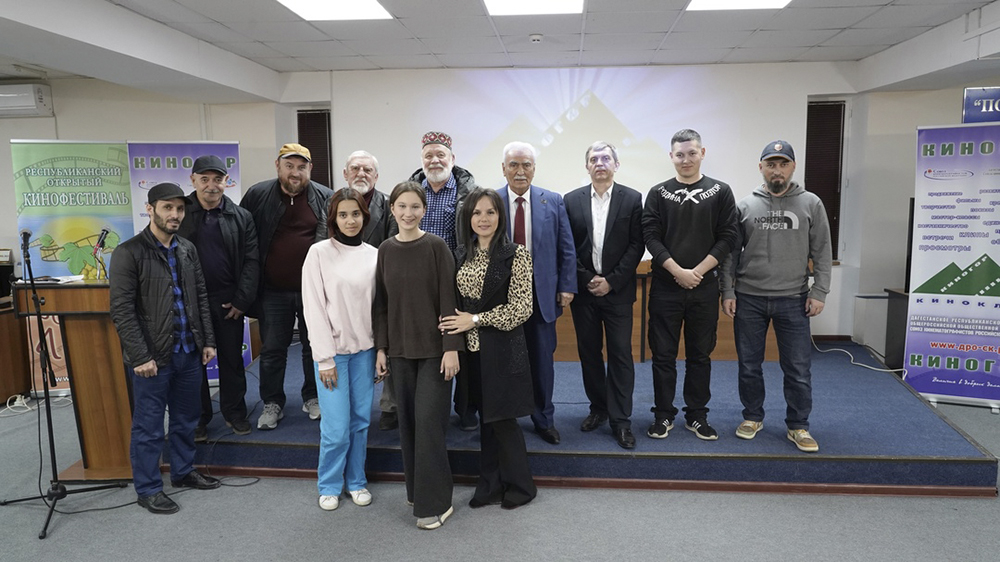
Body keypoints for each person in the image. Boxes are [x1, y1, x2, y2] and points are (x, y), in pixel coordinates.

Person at [109, 182, 220, 514]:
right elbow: (122, 311)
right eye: (167, 207)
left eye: (180, 209)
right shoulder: (128, 252)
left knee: (187, 419)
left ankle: (183, 472)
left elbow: (200, 297)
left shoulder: (186, 249)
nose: (175, 214)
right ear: (150, 209)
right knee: (149, 426)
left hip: (188, 351)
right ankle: (148, 489)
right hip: (152, 359)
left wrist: (208, 340)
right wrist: (140, 356)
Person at [721, 140, 832, 453]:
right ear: (761, 168)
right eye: (771, 164)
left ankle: (798, 425)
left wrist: (820, 291)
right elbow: (730, 254)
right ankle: (752, 417)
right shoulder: (745, 206)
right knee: (749, 366)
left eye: (783, 164)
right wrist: (727, 290)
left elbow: (822, 251)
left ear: (793, 167)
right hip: (749, 298)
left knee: (797, 369)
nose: (777, 170)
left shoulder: (811, 204)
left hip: (793, 298)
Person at [439, 187, 537, 509]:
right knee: (486, 419)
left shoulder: (516, 254)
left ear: (500, 216)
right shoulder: (459, 255)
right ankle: (490, 485)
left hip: (503, 348)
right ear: (468, 218)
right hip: (471, 352)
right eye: (477, 212)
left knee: (504, 420)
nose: (483, 219)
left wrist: (476, 319)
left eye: (490, 212)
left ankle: (521, 486)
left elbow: (522, 308)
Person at [374, 181, 462, 530]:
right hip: (399, 352)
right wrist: (381, 348)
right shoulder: (385, 249)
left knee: (428, 426)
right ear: (392, 209)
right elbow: (381, 305)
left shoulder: (436, 247)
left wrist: (451, 348)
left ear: (424, 210)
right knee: (408, 425)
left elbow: (448, 300)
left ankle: (436, 503)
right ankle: (416, 491)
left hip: (435, 353)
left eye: (415, 207)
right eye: (402, 206)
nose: (408, 213)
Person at [642, 129, 737, 441]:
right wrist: (677, 271)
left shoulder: (720, 191)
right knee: (663, 356)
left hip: (704, 288)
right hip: (665, 288)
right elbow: (650, 236)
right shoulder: (658, 193)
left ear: (702, 153)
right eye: (680, 154)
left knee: (700, 355)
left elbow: (728, 237)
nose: (686, 160)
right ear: (671, 156)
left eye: (692, 153)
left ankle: (696, 415)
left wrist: (697, 271)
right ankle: (663, 415)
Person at [240, 143, 333, 430]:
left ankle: (312, 397)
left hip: (313, 292)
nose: (295, 172)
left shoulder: (326, 197)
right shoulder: (257, 194)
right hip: (272, 291)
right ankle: (272, 402)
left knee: (313, 347)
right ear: (277, 166)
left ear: (310, 169)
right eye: (289, 166)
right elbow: (243, 239)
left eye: (301, 167)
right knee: (272, 349)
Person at [301, 188, 380, 511]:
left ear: (365, 217)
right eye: (343, 215)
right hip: (332, 355)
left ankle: (356, 481)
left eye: (356, 214)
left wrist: (381, 352)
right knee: (335, 428)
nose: (350, 221)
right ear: (333, 218)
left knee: (360, 422)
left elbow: (379, 308)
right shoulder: (319, 253)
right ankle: (330, 484)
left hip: (365, 353)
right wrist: (323, 359)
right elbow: (313, 308)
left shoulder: (374, 255)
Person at [564, 142, 644, 449]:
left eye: (606, 158)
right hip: (585, 292)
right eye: (594, 159)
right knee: (589, 353)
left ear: (616, 164)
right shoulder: (571, 200)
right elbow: (567, 246)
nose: (600, 163)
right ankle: (598, 408)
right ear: (587, 166)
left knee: (621, 354)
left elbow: (636, 245)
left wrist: (611, 281)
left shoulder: (632, 199)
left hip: (618, 292)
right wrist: (587, 279)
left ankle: (621, 420)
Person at [497, 141, 576, 445]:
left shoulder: (552, 201)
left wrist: (567, 285)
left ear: (534, 168)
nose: (520, 171)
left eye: (526, 165)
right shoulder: (491, 200)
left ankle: (543, 419)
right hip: (502, 298)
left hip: (541, 296)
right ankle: (505, 420)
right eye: (514, 165)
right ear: (503, 168)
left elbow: (566, 247)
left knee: (542, 361)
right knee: (504, 361)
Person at [177, 154, 259, 440]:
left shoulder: (241, 217)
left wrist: (241, 300)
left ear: (227, 181)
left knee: (232, 360)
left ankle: (235, 413)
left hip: (227, 302)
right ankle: (198, 418)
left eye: (217, 179)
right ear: (193, 180)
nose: (211, 185)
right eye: (204, 179)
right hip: (188, 303)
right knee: (193, 363)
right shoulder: (179, 213)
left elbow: (251, 261)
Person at [407, 131, 480, 431]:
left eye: (441, 155)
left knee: (463, 345)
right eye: (429, 155)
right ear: (421, 160)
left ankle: (466, 408)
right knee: (424, 344)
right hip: (418, 283)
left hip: (458, 282)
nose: (434, 160)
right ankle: (424, 410)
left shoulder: (470, 194)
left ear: (452, 159)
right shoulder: (411, 194)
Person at [343, 150, 399, 432]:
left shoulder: (389, 206)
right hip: (343, 291)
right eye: (355, 168)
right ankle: (348, 404)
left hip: (379, 287)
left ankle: (389, 405)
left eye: (367, 170)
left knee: (388, 345)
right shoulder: (333, 204)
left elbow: (393, 248)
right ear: (345, 174)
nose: (361, 174)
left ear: (376, 176)